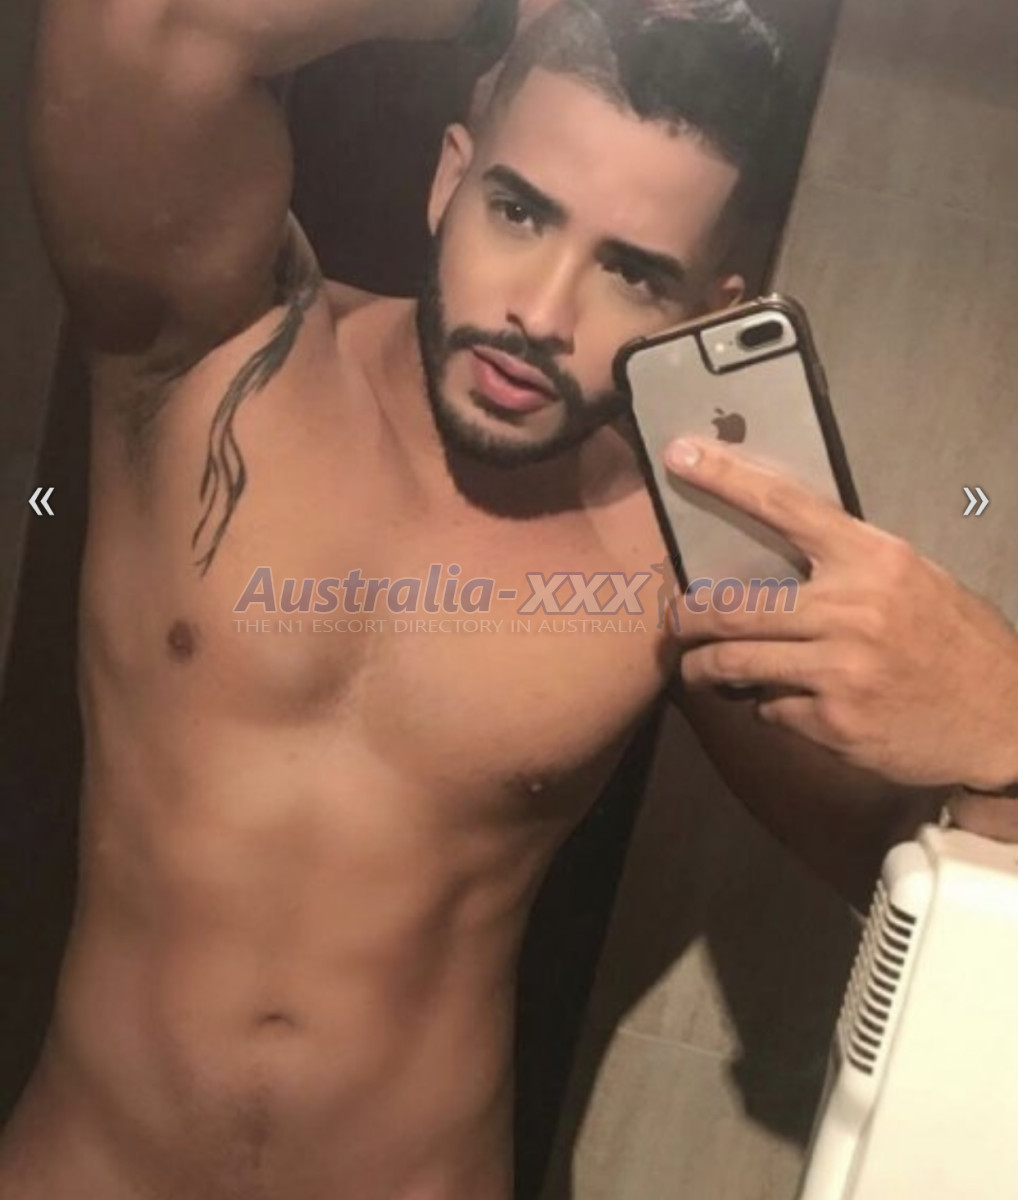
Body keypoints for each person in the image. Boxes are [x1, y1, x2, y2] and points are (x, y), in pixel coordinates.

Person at [3, 0, 1016, 1197]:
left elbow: (936, 898)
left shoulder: (683, 557)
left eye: (633, 272)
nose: (541, 313)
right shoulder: (209, 356)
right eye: (521, 210)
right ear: (450, 178)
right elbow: (147, 27)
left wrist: (999, 721)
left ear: (704, 313)